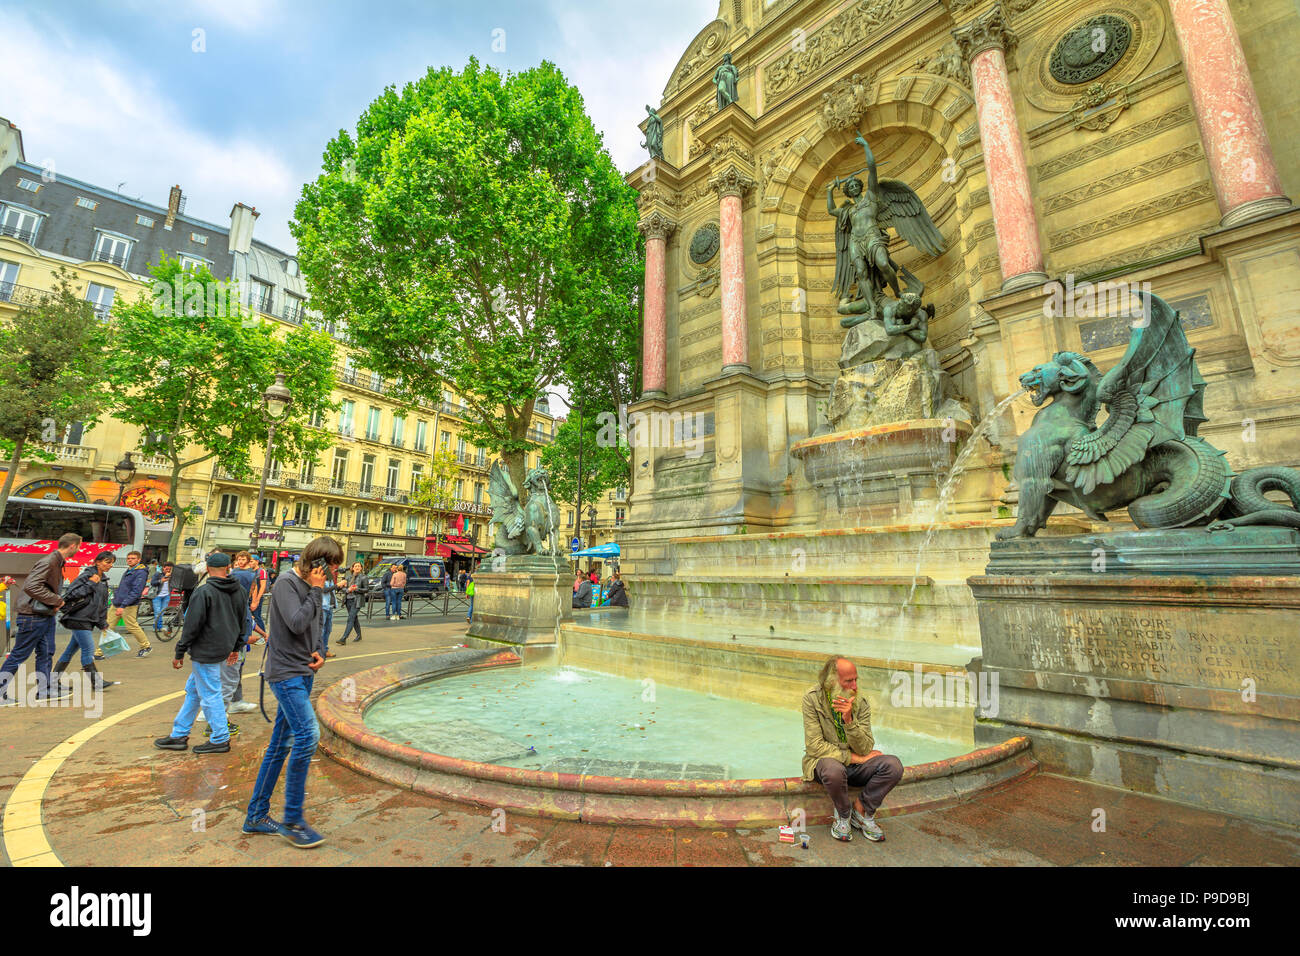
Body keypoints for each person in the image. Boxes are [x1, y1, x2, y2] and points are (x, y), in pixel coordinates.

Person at [243, 535, 343, 848]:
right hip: (285, 673)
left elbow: (315, 624)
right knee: (308, 735)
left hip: (304, 670)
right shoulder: (287, 583)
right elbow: (297, 622)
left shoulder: (317, 585)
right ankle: (293, 820)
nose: (335, 574)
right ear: (319, 564)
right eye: (333, 567)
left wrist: (319, 650)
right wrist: (315, 589)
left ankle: (256, 816)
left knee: (280, 744)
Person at [154, 552, 250, 755]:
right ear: (229, 568)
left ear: (207, 569)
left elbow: (191, 625)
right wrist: (236, 647)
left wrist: (180, 651)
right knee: (195, 692)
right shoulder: (240, 590)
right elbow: (243, 621)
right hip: (225, 648)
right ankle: (179, 734)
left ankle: (220, 738)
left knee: (210, 694)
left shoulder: (204, 591)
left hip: (205, 650)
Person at [803, 656, 904, 843]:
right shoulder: (812, 699)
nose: (855, 686)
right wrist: (854, 758)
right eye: (849, 681)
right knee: (833, 769)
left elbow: (866, 747)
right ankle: (843, 816)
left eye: (856, 679)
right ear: (832, 682)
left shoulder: (861, 701)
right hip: (826, 764)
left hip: (855, 766)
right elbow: (814, 746)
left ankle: (861, 810)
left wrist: (849, 721)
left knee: (893, 765)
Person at [1, 533, 82, 704]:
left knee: (46, 653)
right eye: (79, 546)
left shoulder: (56, 561)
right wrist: (57, 600)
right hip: (33, 615)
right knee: (19, 655)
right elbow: (32, 586)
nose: (79, 549)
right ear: (73, 546)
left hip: (43, 615)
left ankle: (44, 690)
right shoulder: (50, 561)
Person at [52, 551, 118, 691]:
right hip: (79, 618)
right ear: (97, 562)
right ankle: (96, 682)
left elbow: (102, 604)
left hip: (89, 619)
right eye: (107, 561)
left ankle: (53, 681)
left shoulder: (104, 580)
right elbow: (70, 594)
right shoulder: (87, 576)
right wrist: (90, 583)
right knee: (88, 649)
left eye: (112, 562)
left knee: (70, 651)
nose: (110, 565)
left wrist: (102, 623)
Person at [225, 552, 262, 715]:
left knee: (235, 673)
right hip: (233, 647)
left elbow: (249, 621)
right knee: (229, 676)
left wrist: (262, 633)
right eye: (253, 585)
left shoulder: (239, 601)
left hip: (236, 645)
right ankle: (215, 715)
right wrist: (246, 640)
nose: (254, 588)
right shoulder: (237, 603)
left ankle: (235, 701)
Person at [110, 550, 152, 658]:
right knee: (107, 627)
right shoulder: (129, 570)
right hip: (117, 603)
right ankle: (99, 653)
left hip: (128, 605)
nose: (129, 560)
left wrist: (123, 605)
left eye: (133, 558)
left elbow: (136, 592)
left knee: (132, 627)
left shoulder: (141, 572)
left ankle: (146, 646)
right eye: (128, 558)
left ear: (138, 560)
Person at [337, 562, 367, 645]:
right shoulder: (348, 577)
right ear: (352, 568)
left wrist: (356, 589)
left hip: (357, 600)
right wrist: (348, 590)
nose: (357, 567)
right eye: (355, 566)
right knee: (354, 618)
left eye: (359, 566)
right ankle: (359, 635)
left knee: (350, 618)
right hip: (348, 600)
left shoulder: (364, 577)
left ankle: (343, 638)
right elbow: (342, 588)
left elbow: (366, 589)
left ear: (361, 568)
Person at [149, 562, 173, 639]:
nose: (168, 570)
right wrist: (162, 579)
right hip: (157, 596)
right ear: (163, 568)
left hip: (166, 596)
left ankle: (156, 627)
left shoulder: (172, 575)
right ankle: (160, 627)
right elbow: (153, 583)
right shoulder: (158, 574)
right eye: (166, 568)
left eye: (170, 569)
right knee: (157, 612)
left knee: (162, 612)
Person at [248, 555, 268, 633]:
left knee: (257, 616)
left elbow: (262, 586)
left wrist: (257, 600)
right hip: (249, 597)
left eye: (251, 561)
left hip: (257, 597)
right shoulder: (250, 570)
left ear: (257, 561)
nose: (250, 563)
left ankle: (263, 635)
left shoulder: (261, 571)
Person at [320, 568, 338, 658]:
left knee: (328, 629)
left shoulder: (330, 579)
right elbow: (324, 590)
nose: (332, 571)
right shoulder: (320, 578)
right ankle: (319, 651)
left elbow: (332, 592)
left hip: (330, 606)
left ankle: (325, 650)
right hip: (323, 607)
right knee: (321, 630)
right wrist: (337, 585)